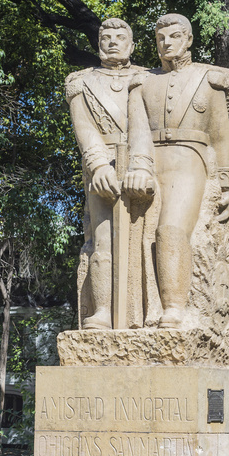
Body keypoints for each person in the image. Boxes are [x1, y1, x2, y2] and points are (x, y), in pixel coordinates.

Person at [123, 13, 229, 328]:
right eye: (160, 38)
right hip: (152, 161)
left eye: (174, 36)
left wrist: (225, 185)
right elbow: (137, 130)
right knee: (141, 235)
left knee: (171, 229)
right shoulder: (142, 83)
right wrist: (139, 166)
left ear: (188, 39)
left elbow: (220, 136)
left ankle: (174, 308)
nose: (167, 43)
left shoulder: (208, 79)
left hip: (191, 160)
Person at [65, 18, 147, 329]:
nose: (113, 42)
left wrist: (142, 164)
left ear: (132, 45)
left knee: (146, 239)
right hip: (101, 166)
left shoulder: (148, 78)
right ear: (98, 44)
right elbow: (84, 128)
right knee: (103, 239)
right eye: (106, 37)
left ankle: (145, 313)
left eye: (120, 37)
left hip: (143, 162)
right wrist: (98, 165)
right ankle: (102, 310)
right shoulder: (81, 81)